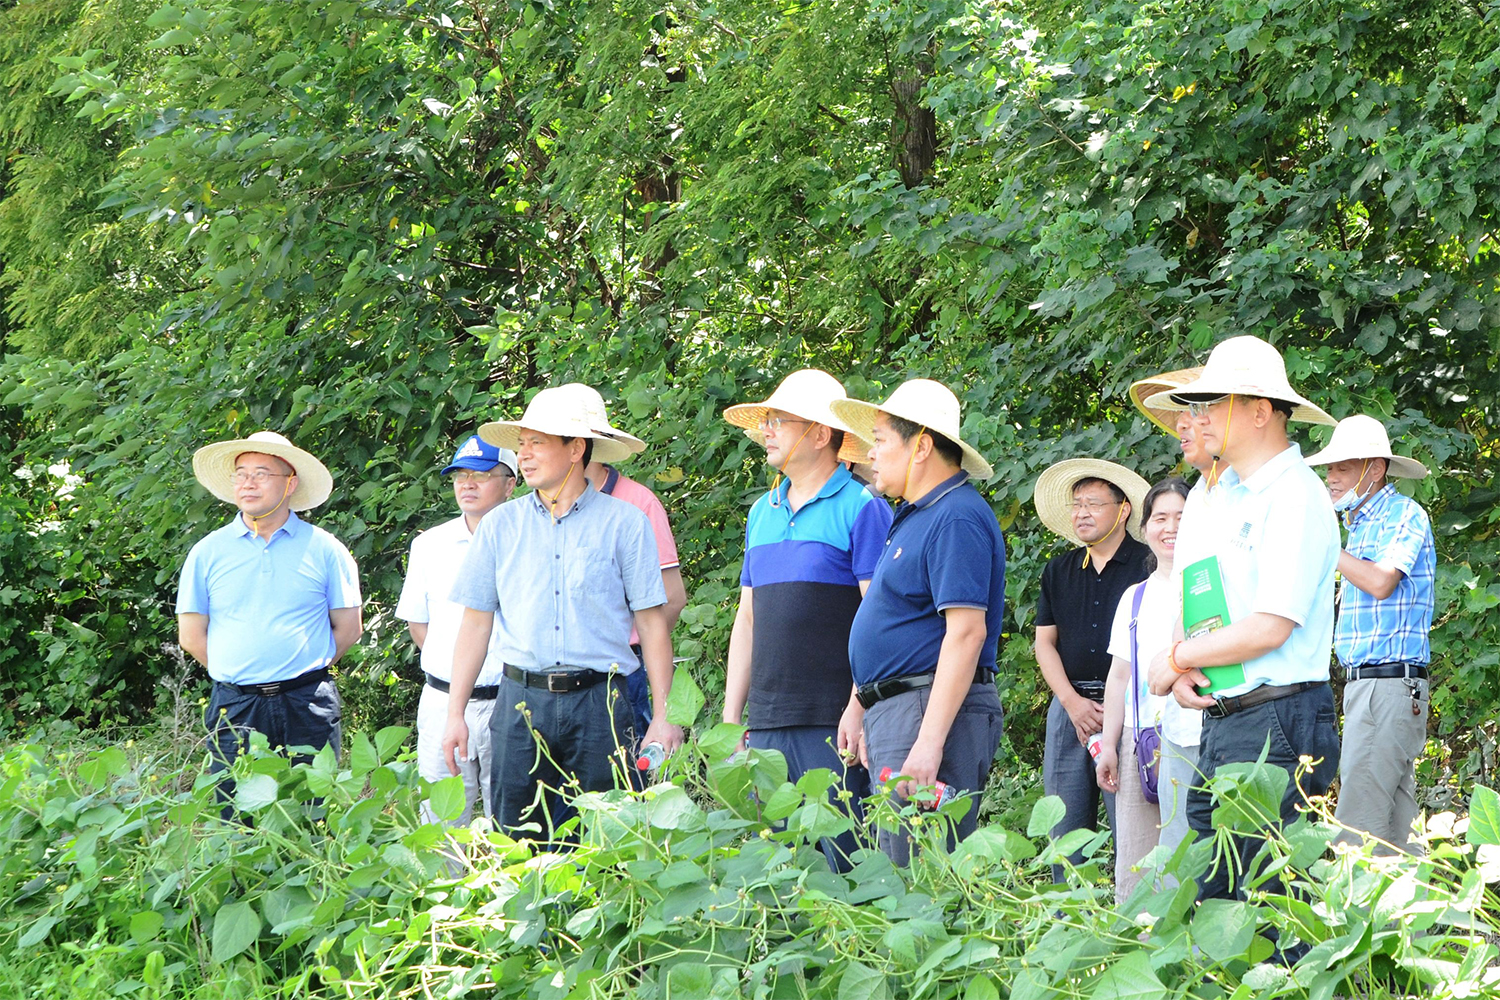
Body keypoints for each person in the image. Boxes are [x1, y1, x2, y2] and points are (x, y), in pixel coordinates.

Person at [1143, 334, 1341, 904]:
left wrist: (1175, 659)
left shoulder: (1295, 495)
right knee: (1222, 902)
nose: (1199, 417)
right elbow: (1204, 596)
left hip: (1278, 720)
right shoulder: (1224, 494)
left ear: (1260, 411)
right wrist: (1185, 671)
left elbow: (1270, 626)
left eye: (1213, 403)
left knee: (1272, 906)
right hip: (1227, 718)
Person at [441, 386, 684, 836]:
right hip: (520, 705)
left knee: (610, 839)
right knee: (518, 838)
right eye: (522, 444)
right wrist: (454, 713)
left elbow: (652, 625)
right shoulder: (500, 526)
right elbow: (475, 624)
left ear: (576, 448)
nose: (524, 455)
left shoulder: (625, 522)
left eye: (538, 443)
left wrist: (665, 715)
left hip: (602, 704)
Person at [829, 379, 1005, 865]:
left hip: (928, 712)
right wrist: (862, 704)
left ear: (921, 445)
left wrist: (928, 744)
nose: (871, 452)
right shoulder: (914, 515)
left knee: (926, 874)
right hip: (902, 710)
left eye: (882, 439)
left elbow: (967, 633)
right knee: (900, 866)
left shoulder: (956, 517)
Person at [721, 369, 892, 870]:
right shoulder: (761, 511)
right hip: (767, 724)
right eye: (766, 420)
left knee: (844, 866)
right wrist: (733, 720)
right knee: (781, 873)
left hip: (832, 723)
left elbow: (878, 620)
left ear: (821, 434)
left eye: (779, 420)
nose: (766, 430)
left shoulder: (862, 506)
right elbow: (747, 619)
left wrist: (858, 706)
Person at [177, 431, 362, 783]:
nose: (248, 483)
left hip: (308, 705)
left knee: (311, 813)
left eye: (261, 474)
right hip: (237, 706)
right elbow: (191, 635)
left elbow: (349, 628)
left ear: (290, 484)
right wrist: (243, 675)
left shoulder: (325, 549)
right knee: (237, 817)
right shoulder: (207, 553)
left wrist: (300, 673)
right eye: (241, 474)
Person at [1305, 414, 1434, 854]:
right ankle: (1420, 924)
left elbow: (1381, 582)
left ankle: (1351, 920)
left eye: (1342, 467)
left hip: (1387, 685)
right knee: (1396, 830)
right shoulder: (1357, 525)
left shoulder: (1403, 514)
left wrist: (1326, 547)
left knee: (1355, 830)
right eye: (1330, 468)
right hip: (1378, 687)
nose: (1331, 477)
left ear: (1374, 468)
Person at [1031, 458, 1151, 881]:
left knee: (1133, 830)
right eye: (1076, 504)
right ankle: (1068, 924)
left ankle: (1135, 922)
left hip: (1133, 709)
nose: (1081, 513)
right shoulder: (1058, 570)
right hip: (1069, 710)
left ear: (1123, 510)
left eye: (1094, 504)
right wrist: (1072, 703)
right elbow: (1044, 643)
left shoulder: (1148, 565)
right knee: (1064, 832)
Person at [395, 435, 518, 825]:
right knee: (441, 820)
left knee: (517, 819)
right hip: (442, 701)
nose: (467, 484)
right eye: (459, 475)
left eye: (480, 475)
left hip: (513, 700)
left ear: (511, 483)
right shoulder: (430, 545)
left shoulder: (529, 539)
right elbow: (419, 623)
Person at [557, 383, 687, 737]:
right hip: (551, 681)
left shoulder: (638, 504)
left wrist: (634, 647)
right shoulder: (541, 508)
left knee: (624, 783)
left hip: (621, 673)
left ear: (586, 444)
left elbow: (672, 597)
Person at [1094, 476, 1189, 904]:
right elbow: (1119, 676)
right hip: (1140, 743)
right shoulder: (1134, 596)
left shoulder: (1210, 585)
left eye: (1182, 518)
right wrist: (1109, 744)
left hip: (1196, 740)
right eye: (1160, 518)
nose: (1170, 528)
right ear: (1145, 526)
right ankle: (1138, 953)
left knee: (1188, 859)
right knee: (1135, 863)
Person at [1129, 368, 1211, 858]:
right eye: (1177, 416)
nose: (1181, 426)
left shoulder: (1267, 496)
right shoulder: (1204, 496)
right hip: (1177, 720)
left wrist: (1178, 659)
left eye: (1193, 412)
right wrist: (1179, 662)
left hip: (1241, 711)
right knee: (1177, 860)